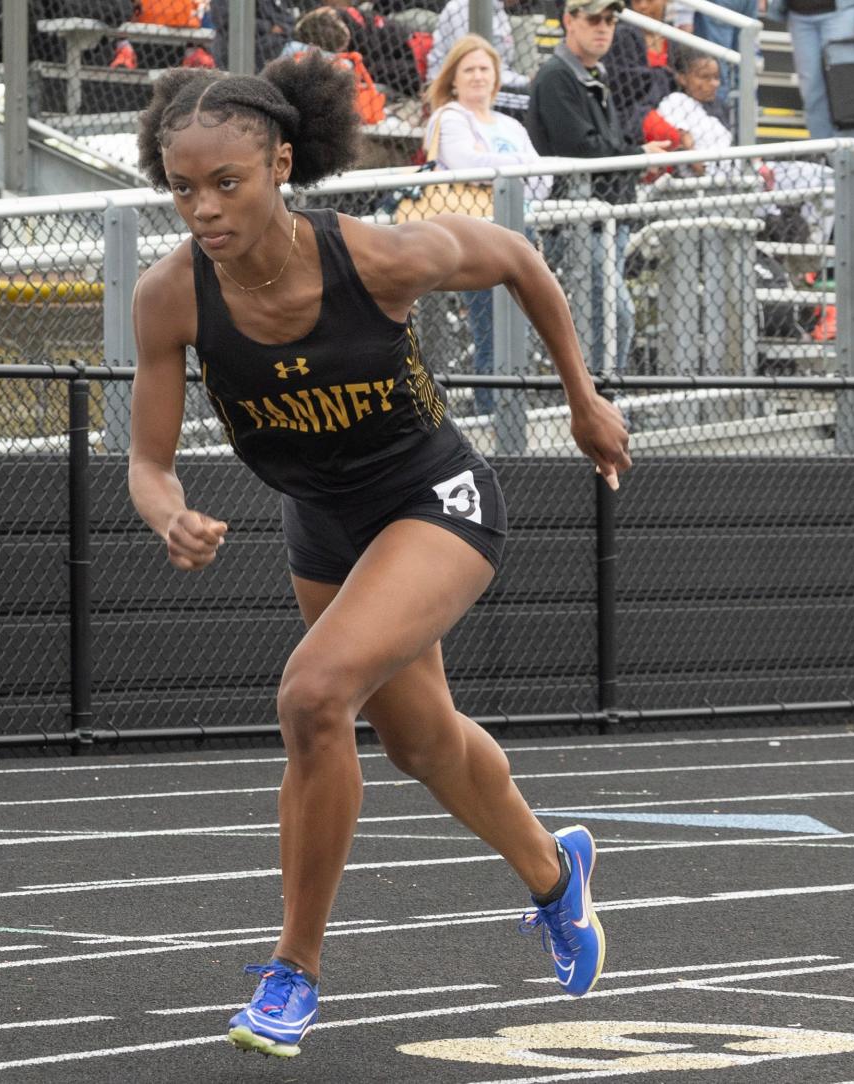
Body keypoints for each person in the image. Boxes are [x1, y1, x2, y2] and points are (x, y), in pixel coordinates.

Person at [129, 52, 631, 1059]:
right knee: (421, 742)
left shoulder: (379, 258)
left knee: (314, 694)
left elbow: (521, 262)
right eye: (183, 188)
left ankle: (293, 972)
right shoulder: (170, 297)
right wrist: (166, 511)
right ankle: (551, 870)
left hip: (434, 500)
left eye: (227, 183)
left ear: (280, 165)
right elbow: (146, 459)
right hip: (322, 524)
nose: (205, 209)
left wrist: (583, 398)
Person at [526, 0, 671, 372]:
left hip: (604, 218)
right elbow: (581, 149)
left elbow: (603, 145)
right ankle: (600, 400)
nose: (604, 28)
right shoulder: (558, 76)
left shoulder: (595, 73)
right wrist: (637, 155)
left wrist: (634, 158)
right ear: (568, 21)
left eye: (609, 20)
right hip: (575, 223)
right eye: (593, 19)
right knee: (614, 315)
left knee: (608, 315)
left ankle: (600, 397)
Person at [425, 33, 551, 415]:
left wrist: (497, 167)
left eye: (485, 69)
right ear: (453, 78)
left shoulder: (509, 125)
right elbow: (465, 164)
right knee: (490, 325)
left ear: (496, 77)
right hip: (474, 236)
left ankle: (513, 408)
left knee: (524, 323)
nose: (478, 76)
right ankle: (490, 411)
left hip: (520, 229)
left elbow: (545, 178)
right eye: (469, 69)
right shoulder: (447, 117)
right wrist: (517, 171)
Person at [642, 48, 835, 243]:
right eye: (704, 77)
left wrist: (757, 166)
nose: (713, 84)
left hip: (744, 174)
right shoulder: (676, 101)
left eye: (716, 78)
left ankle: (813, 248)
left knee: (826, 177)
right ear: (682, 78)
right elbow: (693, 157)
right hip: (719, 184)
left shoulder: (718, 108)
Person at [764, 0, 854, 139]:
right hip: (799, 16)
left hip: (842, 13)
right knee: (812, 92)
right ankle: (821, 154)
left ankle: (849, 155)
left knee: (846, 89)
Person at [603, 0, 678, 139]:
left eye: (649, 0)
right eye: (637, 1)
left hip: (675, 111)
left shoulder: (676, 38)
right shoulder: (622, 34)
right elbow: (626, 86)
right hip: (634, 116)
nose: (643, 6)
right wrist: (666, 75)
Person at [427, 0, 531, 90]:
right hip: (452, 88)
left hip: (491, 82)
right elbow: (471, 67)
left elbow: (498, 67)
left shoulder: (499, 10)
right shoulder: (464, 8)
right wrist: (524, 81)